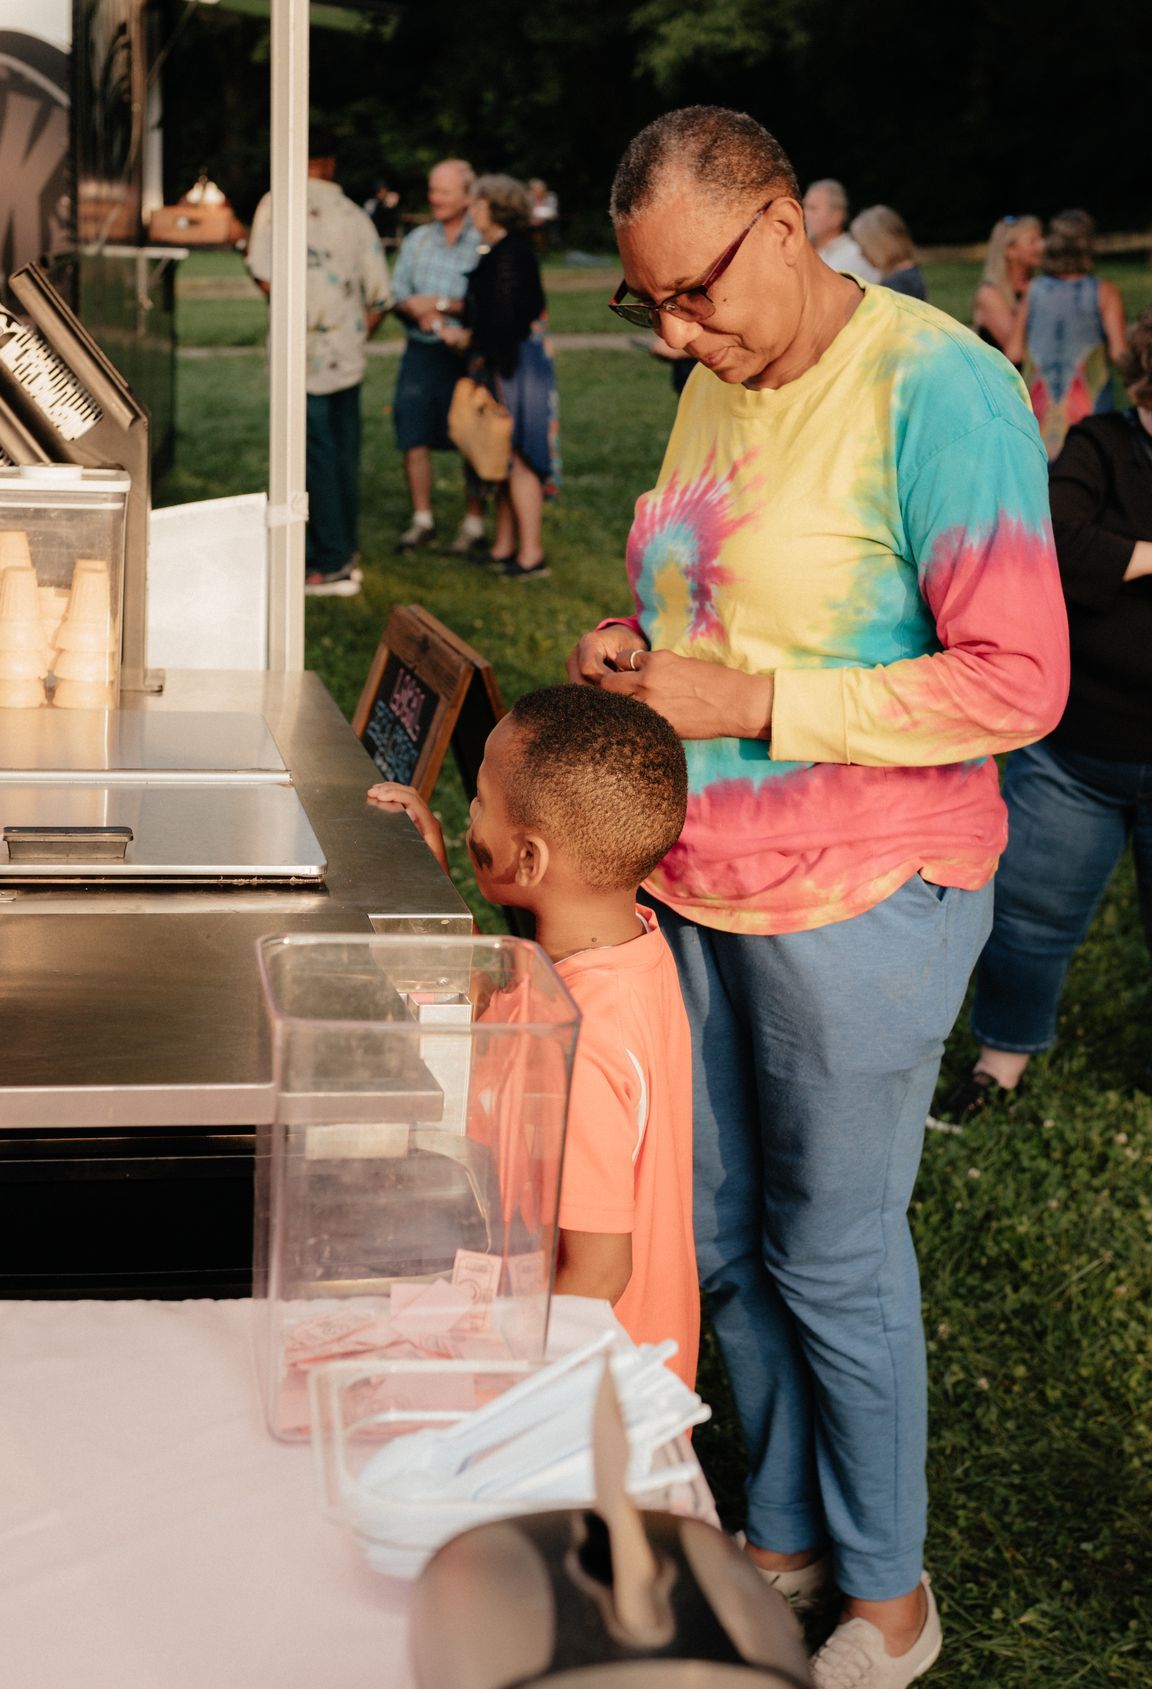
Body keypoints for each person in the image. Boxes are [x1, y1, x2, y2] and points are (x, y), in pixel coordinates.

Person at [592, 106, 1066, 1687]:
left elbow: (1020, 680)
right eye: (646, 303)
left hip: (867, 895)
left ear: (785, 228)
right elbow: (703, 593)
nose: (675, 331)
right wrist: (638, 654)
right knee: (726, 1236)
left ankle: (888, 1596)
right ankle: (784, 1530)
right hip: (701, 879)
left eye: (696, 291)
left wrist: (755, 704)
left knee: (832, 1254)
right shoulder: (720, 377)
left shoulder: (942, 387)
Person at [367, 685, 699, 1384]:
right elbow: (507, 1000)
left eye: (481, 801)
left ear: (529, 861)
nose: (470, 816)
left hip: (582, 1394)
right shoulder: (617, 950)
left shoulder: (583, 1039)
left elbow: (602, 1267)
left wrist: (502, 1380)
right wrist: (439, 883)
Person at [937, 305, 1152, 1120]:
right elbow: (1057, 536)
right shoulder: (1099, 445)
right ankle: (1002, 1060)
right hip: (1079, 751)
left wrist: (1123, 560)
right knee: (1030, 918)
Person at [247, 124, 392, 597]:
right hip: (345, 354)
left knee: (310, 459)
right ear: (331, 163)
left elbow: (263, 275)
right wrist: (349, 333)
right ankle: (344, 549)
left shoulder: (275, 205)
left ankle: (328, 562)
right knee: (343, 454)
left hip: (298, 357)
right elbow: (380, 297)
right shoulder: (354, 215)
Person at [439, 174, 557, 578]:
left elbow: (505, 319)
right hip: (505, 361)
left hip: (516, 365)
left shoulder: (511, 254)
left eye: (477, 204)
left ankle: (531, 555)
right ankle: (505, 546)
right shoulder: (501, 250)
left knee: (521, 455)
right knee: (504, 455)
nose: (471, 210)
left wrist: (467, 337)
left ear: (496, 207)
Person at [390, 158, 489, 554]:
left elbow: (487, 303)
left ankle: (474, 523)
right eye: (432, 190)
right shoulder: (417, 241)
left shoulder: (481, 241)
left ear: (467, 196)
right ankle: (422, 520)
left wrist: (443, 305)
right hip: (421, 351)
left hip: (466, 355)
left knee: (471, 437)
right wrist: (414, 309)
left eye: (444, 191)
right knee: (412, 432)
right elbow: (398, 296)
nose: (435, 198)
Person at [1017, 209, 1128, 460]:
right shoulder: (1105, 292)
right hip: (1089, 414)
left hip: (1039, 413)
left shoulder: (1033, 291)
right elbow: (1120, 354)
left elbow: (1013, 351)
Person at [971, 214, 1042, 360]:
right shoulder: (989, 295)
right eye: (1032, 241)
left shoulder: (1037, 285)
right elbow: (1017, 353)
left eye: (1041, 239)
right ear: (1010, 251)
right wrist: (1029, 298)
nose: (1042, 245)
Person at [801, 177, 880, 283]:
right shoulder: (805, 252)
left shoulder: (855, 255)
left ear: (836, 216)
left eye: (812, 208)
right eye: (804, 207)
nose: (803, 214)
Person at [851, 205, 926, 300]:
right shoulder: (909, 275)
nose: (862, 254)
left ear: (880, 244)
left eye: (864, 247)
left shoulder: (897, 285)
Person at [529, 176, 560, 254]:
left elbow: (553, 212)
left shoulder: (550, 197)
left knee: (540, 230)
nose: (538, 192)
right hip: (530, 222)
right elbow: (526, 211)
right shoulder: (528, 197)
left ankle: (543, 251)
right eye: (535, 190)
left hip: (546, 222)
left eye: (540, 190)